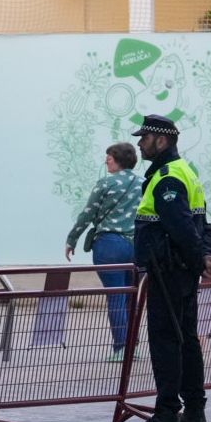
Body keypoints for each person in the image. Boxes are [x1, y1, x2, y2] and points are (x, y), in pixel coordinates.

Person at [125, 114, 211, 422]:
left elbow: (181, 229)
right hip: (182, 272)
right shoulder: (186, 172)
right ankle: (194, 413)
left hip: (169, 272)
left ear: (162, 141)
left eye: (145, 137)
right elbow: (205, 226)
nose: (140, 143)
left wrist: (196, 261)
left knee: (166, 341)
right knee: (187, 341)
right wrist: (204, 258)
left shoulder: (167, 178)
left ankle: (166, 413)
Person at [64, 142, 144, 362]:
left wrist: (72, 239)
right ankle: (133, 346)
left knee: (116, 296)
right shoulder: (143, 183)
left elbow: (88, 214)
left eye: (108, 157)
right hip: (137, 245)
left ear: (117, 159)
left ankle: (121, 348)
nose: (106, 161)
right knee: (132, 297)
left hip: (109, 244)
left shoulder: (106, 183)